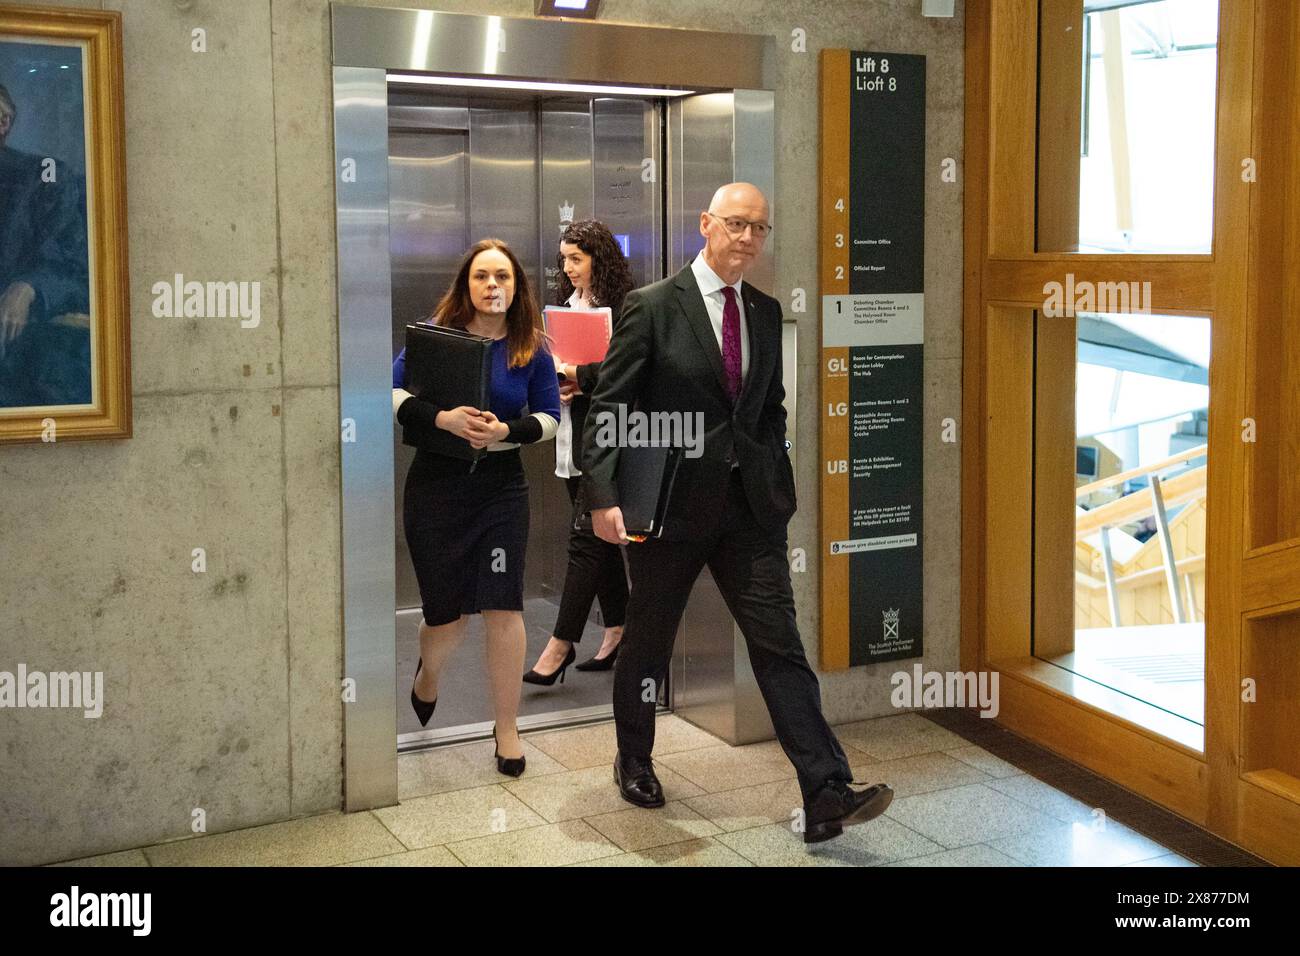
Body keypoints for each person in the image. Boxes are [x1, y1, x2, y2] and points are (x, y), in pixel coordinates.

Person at [581, 183, 894, 843]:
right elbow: (610, 405)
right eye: (737, 224)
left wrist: (775, 479)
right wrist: (604, 496)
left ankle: (826, 792)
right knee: (649, 641)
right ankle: (633, 757)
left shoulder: (763, 310)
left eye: (760, 227)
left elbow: (768, 407)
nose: (749, 238)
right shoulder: (652, 307)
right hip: (668, 511)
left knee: (780, 647)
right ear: (706, 225)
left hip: (749, 514)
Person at [392, 238, 561, 777]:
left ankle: (506, 728)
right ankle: (428, 676)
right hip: (437, 489)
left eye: (504, 278)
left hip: (500, 491)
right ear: (466, 285)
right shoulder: (434, 338)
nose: (494, 286)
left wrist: (506, 431)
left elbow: (552, 416)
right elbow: (389, 393)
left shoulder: (530, 347)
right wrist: (441, 419)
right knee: (447, 619)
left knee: (503, 607)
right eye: (483, 277)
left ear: (517, 287)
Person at [522, 220, 633, 686]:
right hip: (573, 435)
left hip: (608, 442)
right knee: (600, 543)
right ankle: (617, 630)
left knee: (585, 542)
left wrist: (579, 374)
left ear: (598, 259)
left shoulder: (627, 307)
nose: (567, 269)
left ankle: (560, 643)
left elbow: (627, 369)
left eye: (576, 259)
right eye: (563, 259)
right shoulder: (567, 308)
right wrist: (560, 382)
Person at [0, 82, 91, 406]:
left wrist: (26, 287)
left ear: (3, 123)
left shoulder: (42, 180)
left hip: (24, 351)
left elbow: (73, 265)